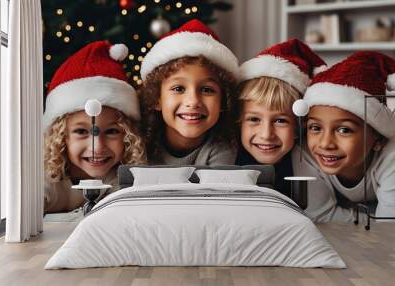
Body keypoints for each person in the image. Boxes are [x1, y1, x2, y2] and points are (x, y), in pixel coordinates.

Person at [43, 41, 146, 213]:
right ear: (60, 136)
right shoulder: (43, 180)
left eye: (112, 131)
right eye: (81, 132)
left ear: (128, 137)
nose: (96, 147)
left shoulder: (126, 182)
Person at [294, 51, 395, 221]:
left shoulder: (391, 157)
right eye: (315, 127)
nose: (325, 143)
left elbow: (389, 226)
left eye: (344, 130)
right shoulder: (305, 154)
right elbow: (320, 215)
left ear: (379, 139)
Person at [139, 19, 239, 165]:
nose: (193, 101)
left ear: (223, 100)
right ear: (156, 98)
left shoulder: (223, 148)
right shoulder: (140, 145)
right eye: (178, 89)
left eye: (207, 90)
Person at [235, 39, 327, 197]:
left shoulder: (307, 161)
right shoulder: (228, 157)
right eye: (254, 119)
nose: (266, 134)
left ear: (298, 128)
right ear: (239, 122)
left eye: (280, 121)